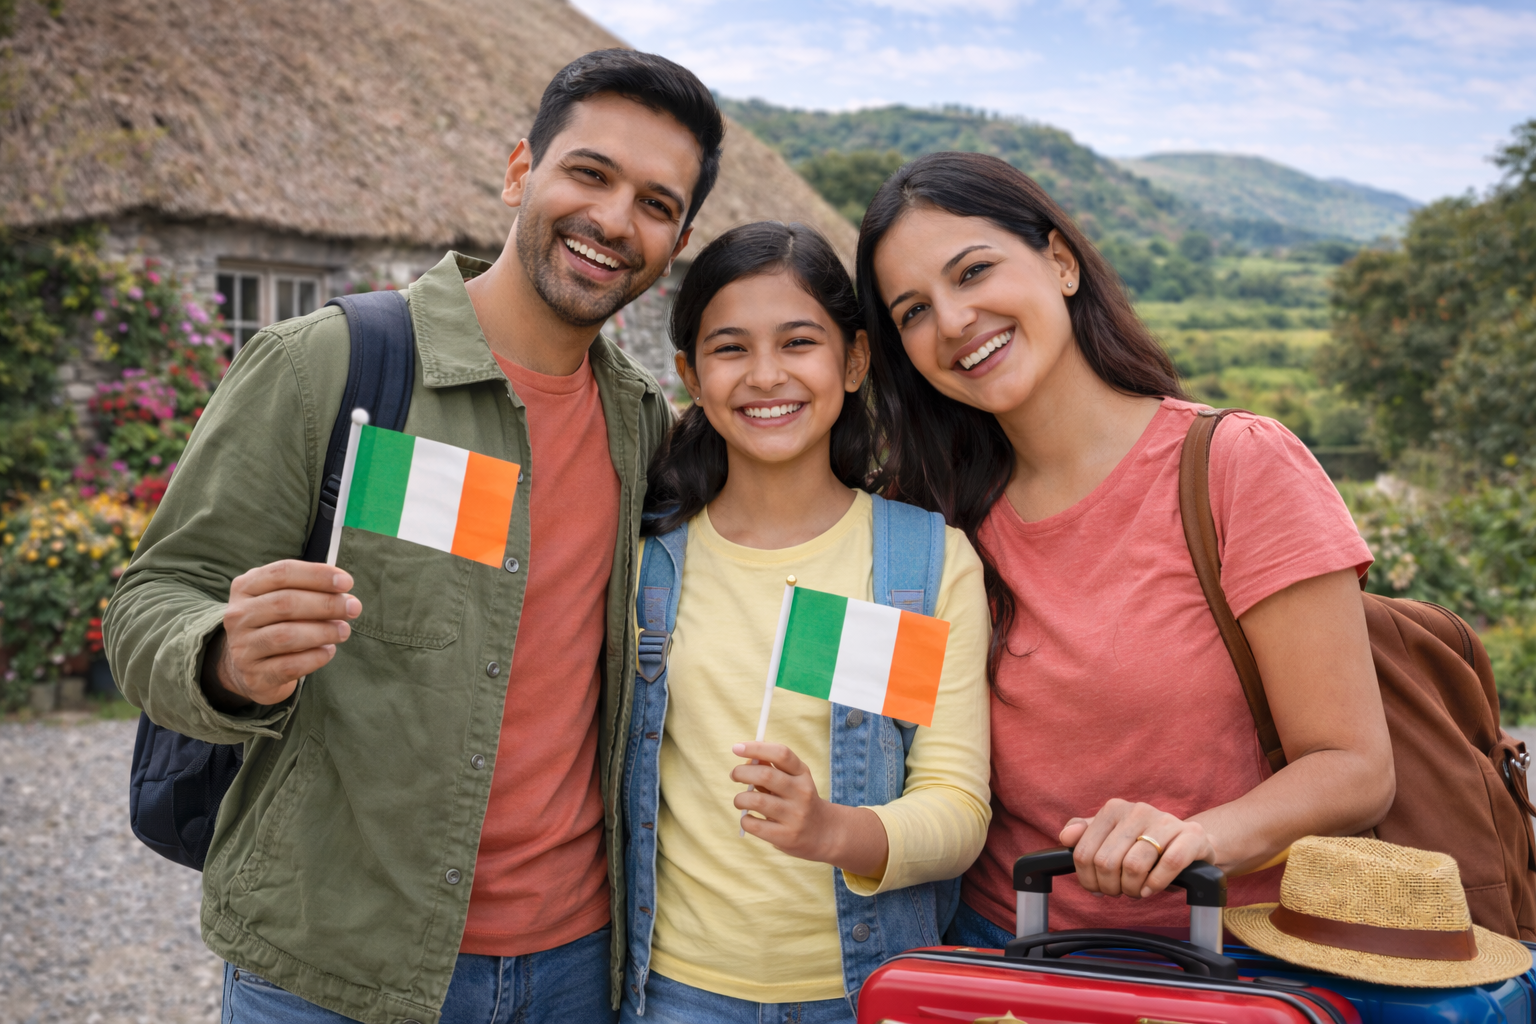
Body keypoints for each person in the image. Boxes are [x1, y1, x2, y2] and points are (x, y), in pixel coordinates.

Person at [103, 49, 724, 1024]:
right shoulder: (332, 363)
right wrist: (223, 654)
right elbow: (152, 597)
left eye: (655, 202)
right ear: (521, 172)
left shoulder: (642, 425)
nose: (613, 219)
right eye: (590, 173)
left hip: (576, 965)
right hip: (332, 962)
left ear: (678, 236)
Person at [855, 151, 1394, 945]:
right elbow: (864, 724)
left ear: (1061, 262)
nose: (954, 321)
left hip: (1236, 964)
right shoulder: (916, 516)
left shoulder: (1237, 466)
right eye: (913, 312)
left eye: (973, 272)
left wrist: (1197, 836)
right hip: (1002, 960)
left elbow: (1354, 767)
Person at [620, 221, 991, 1023]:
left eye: (798, 342)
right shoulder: (646, 562)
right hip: (673, 995)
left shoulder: (923, 567)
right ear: (688, 372)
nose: (765, 376)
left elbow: (958, 809)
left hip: (865, 993)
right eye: (728, 349)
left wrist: (832, 829)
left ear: (853, 361)